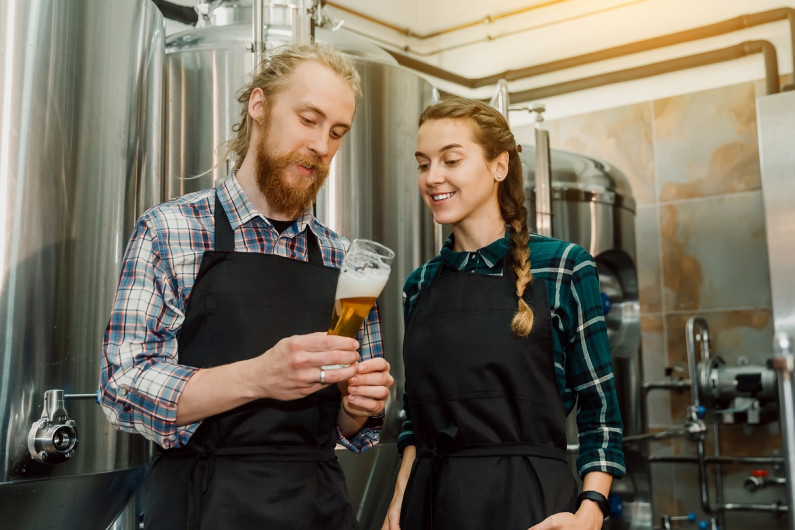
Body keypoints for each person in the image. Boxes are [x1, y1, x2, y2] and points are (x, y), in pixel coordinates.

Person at [99, 43, 394, 530]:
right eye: (308, 119)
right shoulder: (171, 231)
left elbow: (346, 427)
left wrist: (357, 406)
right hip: (203, 505)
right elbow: (123, 386)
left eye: (337, 132)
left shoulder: (347, 260)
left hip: (319, 507)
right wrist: (259, 376)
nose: (322, 145)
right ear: (259, 106)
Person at [382, 97, 625, 530]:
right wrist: (398, 503)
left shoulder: (564, 266)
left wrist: (590, 512)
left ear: (499, 166)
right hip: (430, 505)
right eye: (423, 164)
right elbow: (414, 418)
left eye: (451, 160)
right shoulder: (419, 285)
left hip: (530, 505)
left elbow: (600, 408)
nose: (433, 177)